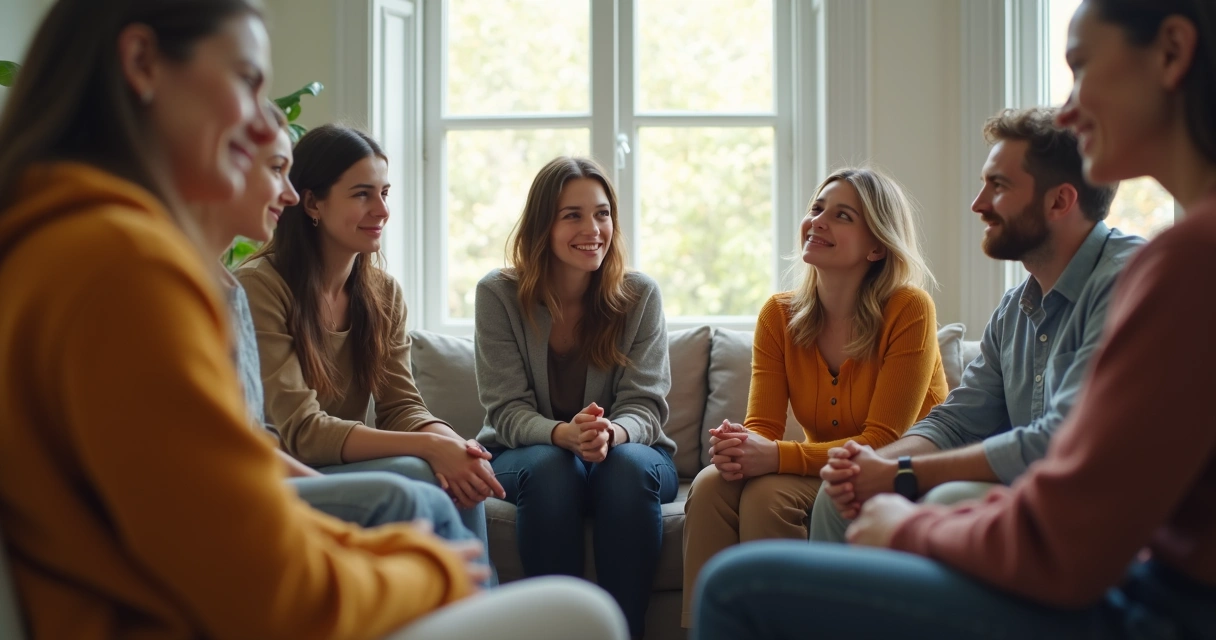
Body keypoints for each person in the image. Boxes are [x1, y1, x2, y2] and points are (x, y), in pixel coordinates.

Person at [0, 1, 626, 638]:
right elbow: (259, 572)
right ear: (141, 63)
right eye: (247, 80)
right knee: (584, 614)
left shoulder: (59, 241)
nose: (258, 120)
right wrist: (429, 572)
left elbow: (217, 518)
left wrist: (441, 445)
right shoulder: (130, 267)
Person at [694, 1, 1216, 638]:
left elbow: (1066, 512)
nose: (1072, 109)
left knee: (737, 587)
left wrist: (907, 504)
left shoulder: (1173, 263)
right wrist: (878, 468)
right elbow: (960, 420)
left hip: (1162, 604)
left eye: (1081, 68)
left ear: (1171, 52)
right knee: (779, 494)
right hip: (1135, 574)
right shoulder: (1025, 304)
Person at [809, 107, 1142, 542]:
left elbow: (1060, 441)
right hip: (1030, 497)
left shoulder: (1128, 281)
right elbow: (956, 424)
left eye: (998, 186)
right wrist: (870, 468)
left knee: (948, 502)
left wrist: (900, 472)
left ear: (1060, 201)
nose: (978, 204)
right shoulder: (1014, 308)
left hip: (1106, 510)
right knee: (839, 496)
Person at [193, 103, 478, 543]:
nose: (381, 210)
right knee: (416, 469)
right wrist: (426, 447)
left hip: (337, 461)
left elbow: (401, 407)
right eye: (363, 194)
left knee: (459, 474)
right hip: (296, 460)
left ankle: (478, 607)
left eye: (385, 193)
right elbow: (302, 431)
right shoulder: (258, 287)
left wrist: (450, 443)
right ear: (312, 203)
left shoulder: (383, 293)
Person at [680, 167, 948, 626]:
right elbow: (762, 426)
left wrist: (775, 456)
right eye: (816, 209)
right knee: (709, 485)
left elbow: (882, 441)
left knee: (770, 497)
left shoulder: (909, 309)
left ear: (877, 246)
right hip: (828, 465)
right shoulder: (779, 314)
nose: (818, 221)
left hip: (895, 471)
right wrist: (739, 447)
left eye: (842, 215)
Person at [474, 156, 677, 639]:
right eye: (573, 215)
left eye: (603, 213)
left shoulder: (639, 295)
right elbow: (506, 409)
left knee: (626, 466)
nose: (593, 228)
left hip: (626, 456)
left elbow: (646, 405)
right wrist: (563, 434)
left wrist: (613, 432)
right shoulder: (498, 294)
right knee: (550, 466)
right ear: (543, 224)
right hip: (525, 457)